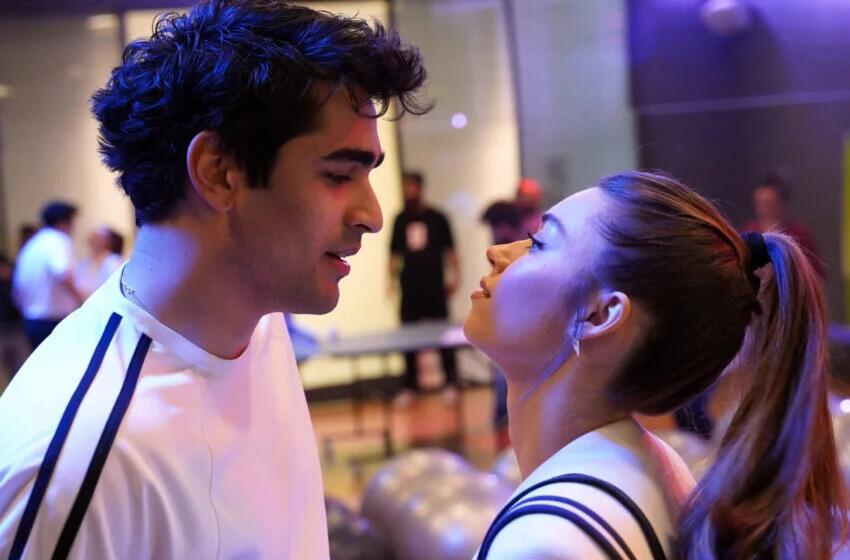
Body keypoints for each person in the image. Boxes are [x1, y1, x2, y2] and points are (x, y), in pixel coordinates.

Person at [0, 2, 427, 559]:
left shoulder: (258, 324)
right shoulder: (78, 462)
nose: (372, 215)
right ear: (218, 173)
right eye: (339, 175)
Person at [465, 171, 845, 559]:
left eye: (539, 243)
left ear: (600, 314)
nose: (497, 252)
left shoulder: (543, 543)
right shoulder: (654, 465)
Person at [389, 171, 461, 406]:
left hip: (435, 287)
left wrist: (456, 277)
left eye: (411, 186)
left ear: (420, 187)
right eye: (405, 186)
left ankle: (451, 382)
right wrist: (390, 282)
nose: (408, 190)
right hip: (410, 288)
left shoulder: (437, 218)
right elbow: (393, 254)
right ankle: (410, 386)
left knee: (443, 335)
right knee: (408, 337)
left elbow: (450, 251)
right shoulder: (400, 220)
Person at [480, 200, 527, 449]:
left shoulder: (516, 254)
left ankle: (505, 418)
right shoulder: (503, 250)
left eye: (494, 226)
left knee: (506, 376)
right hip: (505, 323)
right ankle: (502, 419)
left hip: (518, 326)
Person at [12, 201, 82, 350]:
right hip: (53, 321)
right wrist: (83, 300)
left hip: (32, 319)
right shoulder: (57, 240)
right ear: (64, 222)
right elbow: (64, 274)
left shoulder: (34, 243)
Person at [742, 173, 823, 275]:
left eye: (769, 203)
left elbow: (815, 272)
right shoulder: (748, 233)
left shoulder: (798, 234)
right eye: (759, 203)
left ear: (783, 204)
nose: (763, 209)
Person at [75, 226, 125, 300]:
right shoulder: (85, 262)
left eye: (98, 238)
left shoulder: (114, 262)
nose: (93, 241)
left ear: (108, 242)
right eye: (93, 238)